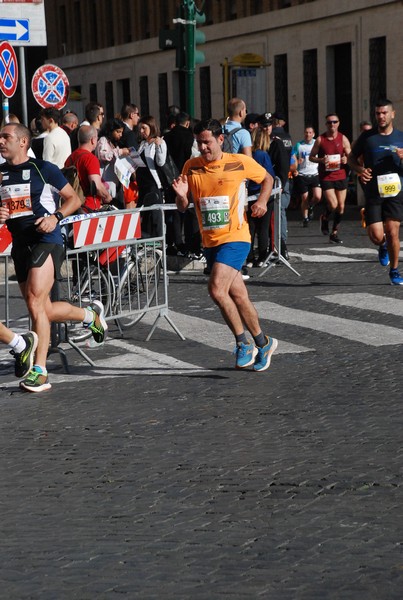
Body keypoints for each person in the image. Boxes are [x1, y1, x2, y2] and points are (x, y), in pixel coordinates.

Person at [0, 122, 108, 393]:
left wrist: (55, 217)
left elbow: (74, 198)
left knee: (36, 301)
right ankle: (89, 315)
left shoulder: (43, 169)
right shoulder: (0, 174)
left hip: (46, 239)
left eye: (6, 137)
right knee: (43, 310)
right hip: (20, 244)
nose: (1, 141)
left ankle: (40, 371)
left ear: (23, 142)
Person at [173, 118, 278, 372]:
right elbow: (183, 206)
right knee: (239, 296)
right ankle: (264, 343)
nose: (203, 148)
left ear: (220, 139)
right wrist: (180, 195)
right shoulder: (191, 166)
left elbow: (268, 180)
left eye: (207, 142)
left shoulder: (238, 162)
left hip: (237, 237)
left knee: (217, 289)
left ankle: (242, 342)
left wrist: (262, 202)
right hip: (211, 241)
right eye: (199, 143)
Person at [348, 99, 403, 285]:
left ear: (392, 114)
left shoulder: (400, 137)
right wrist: (360, 170)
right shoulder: (367, 137)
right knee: (377, 236)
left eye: (384, 113)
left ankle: (395, 270)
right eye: (378, 113)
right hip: (374, 192)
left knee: (393, 232)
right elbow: (350, 158)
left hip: (395, 191)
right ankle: (382, 246)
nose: (381, 116)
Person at [309, 113, 351, 244]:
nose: (332, 124)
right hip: (326, 176)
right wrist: (321, 160)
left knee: (341, 207)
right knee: (333, 204)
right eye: (329, 122)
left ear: (338, 123)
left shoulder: (343, 138)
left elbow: (350, 156)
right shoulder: (320, 139)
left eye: (334, 122)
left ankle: (334, 233)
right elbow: (311, 157)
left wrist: (346, 159)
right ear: (326, 124)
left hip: (341, 175)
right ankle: (325, 217)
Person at [65, 125, 112, 212]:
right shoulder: (90, 158)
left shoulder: (70, 158)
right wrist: (107, 196)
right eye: (97, 138)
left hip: (73, 207)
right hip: (89, 207)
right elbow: (97, 186)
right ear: (93, 140)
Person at [246, 127, 276, 267]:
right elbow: (270, 176)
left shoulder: (247, 154)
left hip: (249, 194)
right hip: (263, 194)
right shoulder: (263, 155)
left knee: (250, 228)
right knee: (263, 229)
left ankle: (250, 257)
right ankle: (262, 258)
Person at [136, 115, 168, 238]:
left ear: (151, 127)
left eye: (144, 128)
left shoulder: (159, 142)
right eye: (140, 128)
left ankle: (159, 242)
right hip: (142, 185)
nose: (141, 131)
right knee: (142, 215)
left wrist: (159, 146)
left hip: (153, 185)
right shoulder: (143, 144)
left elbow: (161, 162)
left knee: (156, 217)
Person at [95, 117, 131, 207]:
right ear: (111, 130)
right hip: (107, 182)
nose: (120, 135)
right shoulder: (103, 140)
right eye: (118, 132)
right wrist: (120, 151)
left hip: (116, 181)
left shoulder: (114, 143)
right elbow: (103, 155)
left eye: (121, 132)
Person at [293, 126, 322, 226]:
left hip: (315, 173)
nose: (308, 134)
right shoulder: (299, 145)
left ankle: (311, 206)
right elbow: (292, 157)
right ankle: (305, 218)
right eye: (306, 132)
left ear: (313, 134)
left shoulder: (317, 144)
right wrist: (296, 162)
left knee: (318, 196)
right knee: (304, 197)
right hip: (302, 174)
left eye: (310, 132)